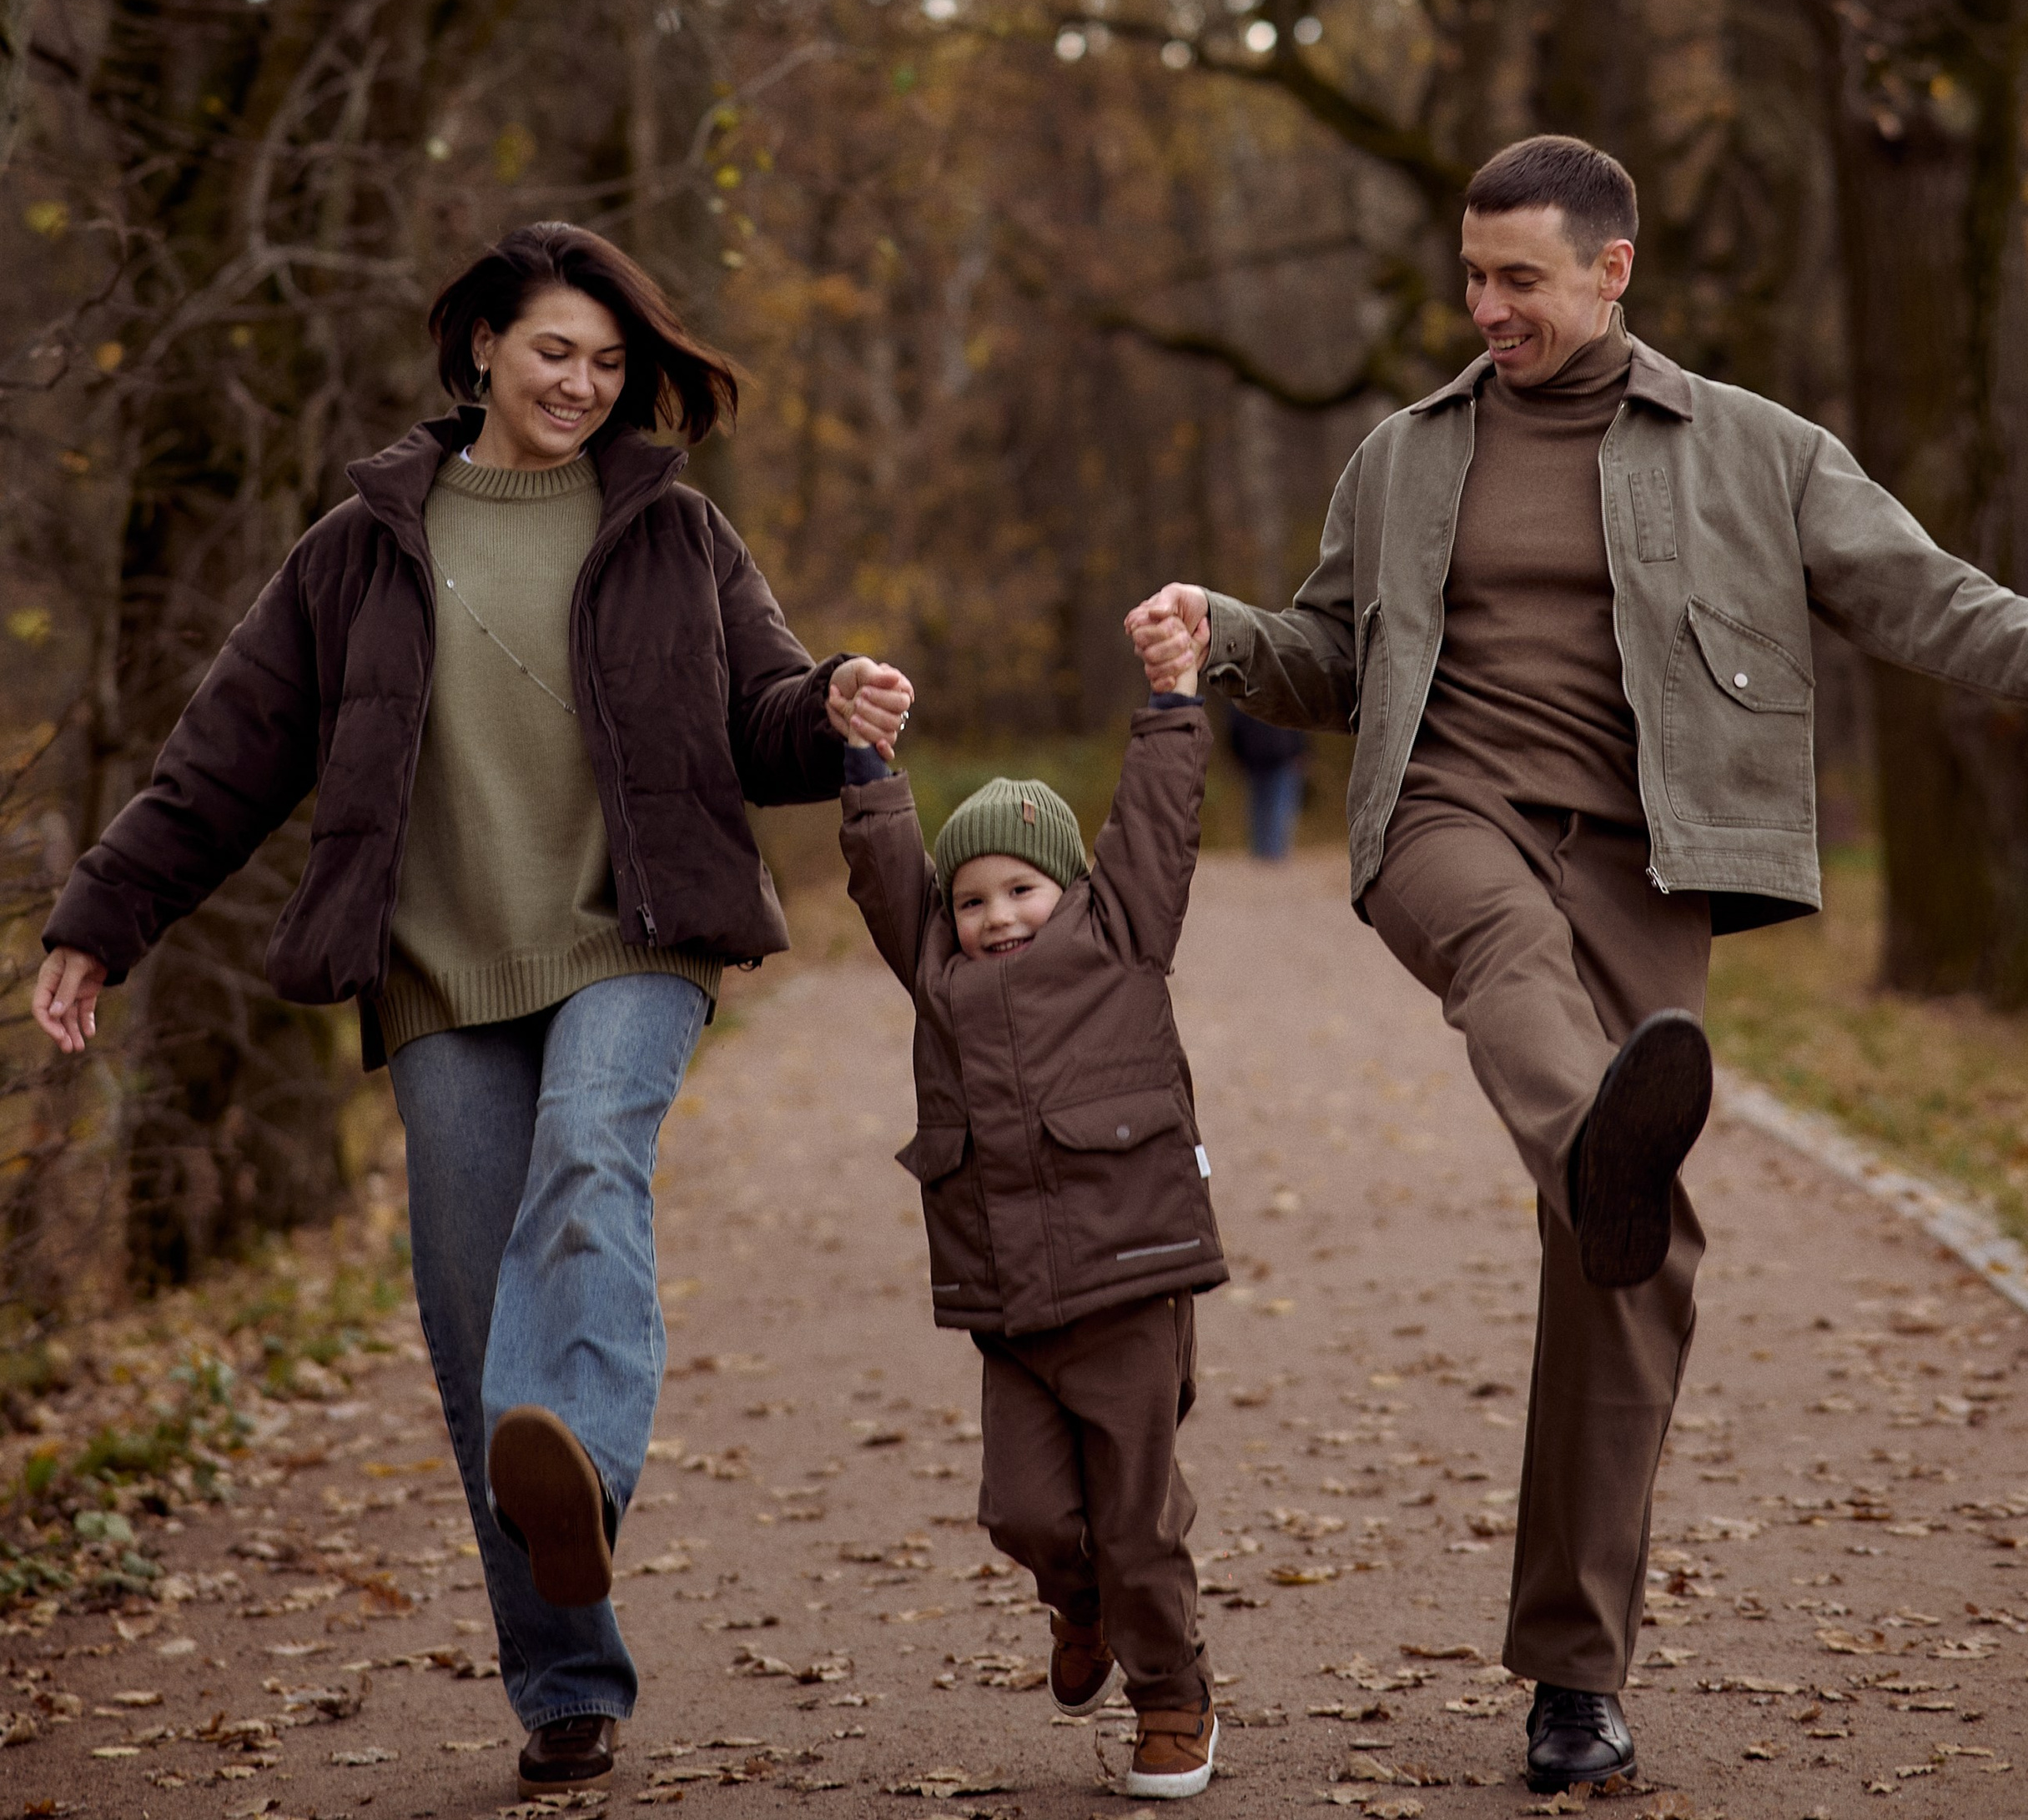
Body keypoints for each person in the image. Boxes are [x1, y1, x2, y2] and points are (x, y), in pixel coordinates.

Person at [1125, 133, 2028, 1797]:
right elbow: (1327, 657)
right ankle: (1599, 1121)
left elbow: (1915, 592)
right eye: (1471, 276)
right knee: (1510, 963)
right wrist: (1218, 634)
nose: (1484, 307)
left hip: (1652, 862)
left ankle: (1569, 1677)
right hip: (1448, 817)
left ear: (1612, 266)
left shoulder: (1752, 451)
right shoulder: (1401, 455)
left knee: (1631, 1251)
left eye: (1517, 277)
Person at [34, 222, 914, 1798]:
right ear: (482, 352)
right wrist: (102, 921)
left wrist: (837, 701)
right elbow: (224, 757)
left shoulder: (675, 533)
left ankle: (583, 1463)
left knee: (590, 1156)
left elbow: (761, 718)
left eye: (607, 359)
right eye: (553, 351)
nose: (582, 382)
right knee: (467, 1319)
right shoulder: (359, 549)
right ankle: (565, 1682)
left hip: (633, 942)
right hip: (439, 973)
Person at [838, 656, 1228, 1799]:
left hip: (1127, 1291)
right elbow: (882, 875)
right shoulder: (936, 974)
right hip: (1010, 1308)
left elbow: (1157, 823)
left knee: (1135, 1518)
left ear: (1070, 886)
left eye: (1021, 888)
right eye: (970, 898)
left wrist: (1170, 702)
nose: (995, 915)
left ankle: (1172, 1696)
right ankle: (1082, 1604)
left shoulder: (1122, 940)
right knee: (1021, 1509)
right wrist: (868, 763)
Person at [1226, 708, 1311, 860]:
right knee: (1278, 807)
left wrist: (1237, 757)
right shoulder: (1282, 690)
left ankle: (1263, 853)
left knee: (1260, 807)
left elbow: (1234, 729)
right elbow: (1299, 723)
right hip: (1279, 755)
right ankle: (1273, 854)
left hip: (1260, 757)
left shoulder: (1243, 695)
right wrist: (1302, 750)